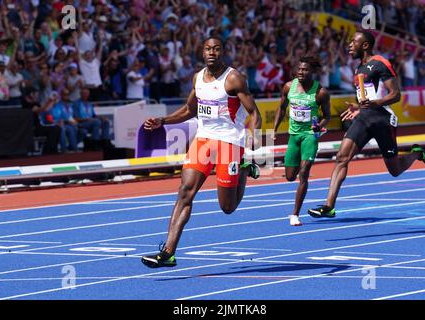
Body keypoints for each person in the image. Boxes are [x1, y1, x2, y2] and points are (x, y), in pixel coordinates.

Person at [141, 37, 262, 268]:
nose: (212, 52)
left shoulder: (234, 78)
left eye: (216, 48)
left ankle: (244, 168)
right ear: (202, 52)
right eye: (207, 48)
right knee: (185, 192)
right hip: (203, 141)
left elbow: (255, 113)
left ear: (223, 52)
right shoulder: (197, 78)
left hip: (229, 142)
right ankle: (168, 252)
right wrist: (163, 120)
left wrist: (253, 137)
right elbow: (190, 109)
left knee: (227, 207)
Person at [307, 31, 425, 219]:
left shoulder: (381, 62)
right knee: (341, 157)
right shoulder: (359, 69)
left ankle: (416, 153)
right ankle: (329, 206)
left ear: (365, 45)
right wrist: (359, 108)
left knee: (395, 170)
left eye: (353, 42)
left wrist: (374, 104)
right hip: (364, 118)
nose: (349, 45)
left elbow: (395, 94)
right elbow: (367, 98)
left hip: (383, 120)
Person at [273, 56, 331, 226]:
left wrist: (319, 126)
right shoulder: (288, 87)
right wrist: (274, 129)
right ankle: (300, 160)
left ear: (312, 72)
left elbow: (327, 116)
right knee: (290, 176)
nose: (301, 72)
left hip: (310, 136)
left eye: (305, 70)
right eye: (299, 69)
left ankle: (295, 214)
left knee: (304, 173)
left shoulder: (320, 92)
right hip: (294, 135)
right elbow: (282, 107)